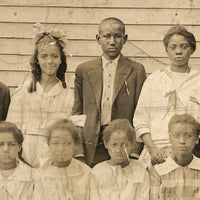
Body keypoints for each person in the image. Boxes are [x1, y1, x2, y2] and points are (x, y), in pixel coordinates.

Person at [72, 17, 146, 166]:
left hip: (122, 143)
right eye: (107, 36)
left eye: (117, 36)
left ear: (124, 39)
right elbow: (77, 113)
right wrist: (79, 150)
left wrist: (135, 152)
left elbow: (141, 113)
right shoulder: (84, 70)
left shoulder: (136, 70)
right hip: (92, 143)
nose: (112, 41)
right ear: (98, 39)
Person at [7, 25, 74, 167]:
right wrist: (20, 160)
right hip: (23, 160)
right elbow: (12, 130)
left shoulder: (68, 95)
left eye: (55, 56)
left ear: (61, 59)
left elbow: (68, 134)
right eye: (44, 56)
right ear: (37, 59)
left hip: (54, 161)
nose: (49, 61)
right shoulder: (24, 91)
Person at [133, 25, 200, 166]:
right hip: (157, 152)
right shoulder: (155, 79)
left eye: (184, 46)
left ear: (192, 49)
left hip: (192, 152)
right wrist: (152, 150)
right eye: (173, 47)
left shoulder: (198, 80)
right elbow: (141, 119)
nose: (178, 52)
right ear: (167, 50)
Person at [90, 119, 149, 200]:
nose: (118, 150)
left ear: (132, 145)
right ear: (106, 143)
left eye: (124, 145)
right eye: (114, 145)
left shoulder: (140, 171)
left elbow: (143, 196)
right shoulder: (97, 171)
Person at [33, 119, 91, 200]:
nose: (61, 149)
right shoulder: (40, 174)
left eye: (67, 143)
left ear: (76, 145)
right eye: (55, 143)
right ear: (48, 144)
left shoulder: (86, 172)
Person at [149, 114, 200, 199]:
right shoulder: (158, 171)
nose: (182, 141)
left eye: (188, 136)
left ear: (197, 139)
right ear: (170, 137)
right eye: (176, 136)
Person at [0, 121, 34, 199]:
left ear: (19, 147)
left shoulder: (31, 176)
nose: (6, 149)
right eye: (0, 144)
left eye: (11, 144)